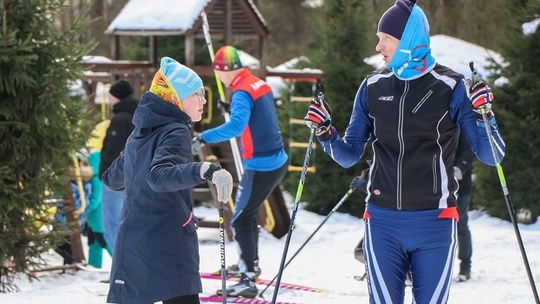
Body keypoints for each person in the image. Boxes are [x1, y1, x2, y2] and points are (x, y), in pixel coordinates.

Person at [304, 0, 505, 302]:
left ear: (409, 39)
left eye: (385, 37)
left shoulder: (451, 87)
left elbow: (492, 156)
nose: (378, 45)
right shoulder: (372, 86)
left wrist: (484, 114)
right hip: (382, 223)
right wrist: (325, 132)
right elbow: (349, 155)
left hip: (435, 223)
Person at [102, 57, 233, 304]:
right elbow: (159, 177)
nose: (203, 101)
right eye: (197, 95)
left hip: (133, 241)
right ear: (176, 97)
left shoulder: (140, 132)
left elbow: (112, 178)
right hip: (168, 242)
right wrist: (205, 169)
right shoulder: (176, 130)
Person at [192, 45, 288, 298]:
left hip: (261, 164)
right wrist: (230, 106)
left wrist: (203, 137)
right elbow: (257, 115)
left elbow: (236, 126)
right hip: (276, 159)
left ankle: (248, 278)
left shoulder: (242, 92)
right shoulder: (257, 83)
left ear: (222, 71)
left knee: (241, 218)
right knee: (246, 215)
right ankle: (249, 263)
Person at [100, 79, 138, 251]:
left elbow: (113, 151)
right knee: (129, 225)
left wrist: (105, 173)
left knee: (111, 224)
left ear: (117, 97)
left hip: (115, 180)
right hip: (134, 178)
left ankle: (121, 269)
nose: (109, 99)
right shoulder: (139, 116)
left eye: (110, 95)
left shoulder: (120, 118)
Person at [454, 132, 475, 282]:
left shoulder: (461, 124)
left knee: (461, 225)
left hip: (461, 185)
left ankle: (465, 266)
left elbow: (470, 149)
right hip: (437, 186)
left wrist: (460, 168)